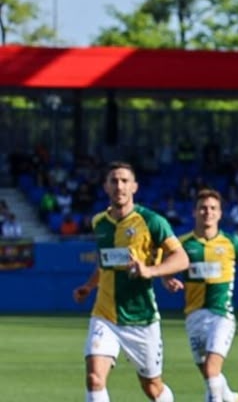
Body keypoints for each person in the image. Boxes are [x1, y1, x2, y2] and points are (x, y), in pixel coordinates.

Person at [71, 161, 190, 402]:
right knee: (94, 378)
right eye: (113, 181)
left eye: (125, 181)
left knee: (152, 388)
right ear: (106, 187)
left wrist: (152, 271)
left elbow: (181, 258)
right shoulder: (99, 223)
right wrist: (89, 286)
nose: (119, 186)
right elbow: (106, 263)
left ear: (134, 186)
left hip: (140, 318)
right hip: (105, 315)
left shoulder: (152, 221)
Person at [163, 188, 238, 402]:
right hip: (193, 315)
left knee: (212, 368)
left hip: (221, 314)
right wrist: (166, 279)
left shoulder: (232, 242)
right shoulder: (182, 243)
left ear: (220, 213)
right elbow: (164, 265)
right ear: (194, 212)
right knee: (208, 372)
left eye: (213, 208)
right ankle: (230, 397)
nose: (208, 212)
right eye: (203, 208)